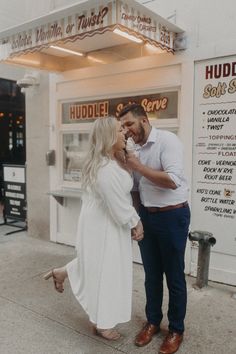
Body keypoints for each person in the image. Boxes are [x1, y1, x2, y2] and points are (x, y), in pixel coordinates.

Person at [44, 116, 143, 341]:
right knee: (107, 272)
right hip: (104, 225)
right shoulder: (105, 168)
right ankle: (102, 323)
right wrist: (136, 221)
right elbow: (118, 206)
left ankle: (63, 272)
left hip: (103, 221)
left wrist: (129, 157)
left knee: (99, 265)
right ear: (108, 137)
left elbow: (120, 196)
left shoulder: (112, 159)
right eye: (119, 130)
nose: (124, 133)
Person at [119, 103, 190, 354]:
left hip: (173, 216)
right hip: (147, 217)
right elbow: (137, 190)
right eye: (123, 127)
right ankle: (152, 322)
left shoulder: (167, 141)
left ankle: (176, 329)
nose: (126, 130)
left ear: (144, 120)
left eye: (129, 124)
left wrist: (137, 166)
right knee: (151, 275)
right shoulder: (133, 149)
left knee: (174, 276)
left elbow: (172, 180)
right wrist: (137, 219)